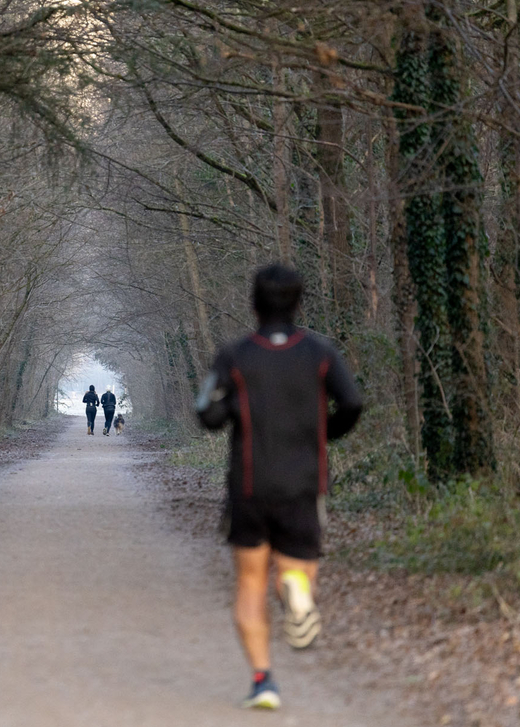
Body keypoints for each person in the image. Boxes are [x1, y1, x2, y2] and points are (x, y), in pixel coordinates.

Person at [196, 264, 363, 711]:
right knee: (296, 569)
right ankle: (294, 586)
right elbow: (352, 401)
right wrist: (323, 432)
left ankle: (262, 680)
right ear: (298, 302)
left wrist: (231, 402)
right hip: (304, 485)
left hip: (249, 487)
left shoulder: (234, 356)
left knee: (250, 582)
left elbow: (206, 414)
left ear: (253, 303)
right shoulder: (320, 353)